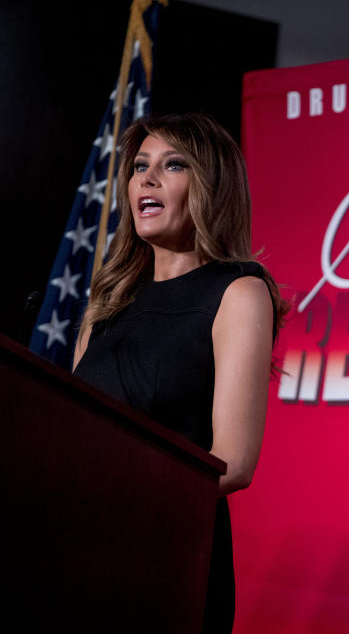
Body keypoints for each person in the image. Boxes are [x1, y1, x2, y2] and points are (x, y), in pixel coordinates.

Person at [72, 113, 287, 633]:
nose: (146, 178)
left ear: (211, 186)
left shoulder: (238, 291)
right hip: (79, 551)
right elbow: (70, 428)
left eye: (172, 165)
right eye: (140, 166)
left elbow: (232, 462)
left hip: (165, 554)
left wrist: (123, 495)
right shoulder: (108, 298)